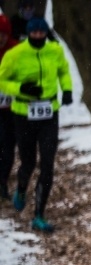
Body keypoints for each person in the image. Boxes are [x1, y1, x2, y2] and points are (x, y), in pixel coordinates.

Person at [0, 17, 72, 232]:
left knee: (48, 163)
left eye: (42, 34)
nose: (39, 37)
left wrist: (66, 89)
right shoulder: (15, 54)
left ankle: (39, 214)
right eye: (35, 34)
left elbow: (63, 71)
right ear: (29, 34)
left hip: (49, 113)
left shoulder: (55, 51)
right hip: (24, 114)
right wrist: (22, 89)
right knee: (28, 162)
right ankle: (21, 189)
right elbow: (2, 80)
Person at [0, 15, 18, 201]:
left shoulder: (16, 49)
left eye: (3, 34)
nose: (0, 38)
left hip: (12, 109)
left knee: (8, 146)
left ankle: (3, 182)